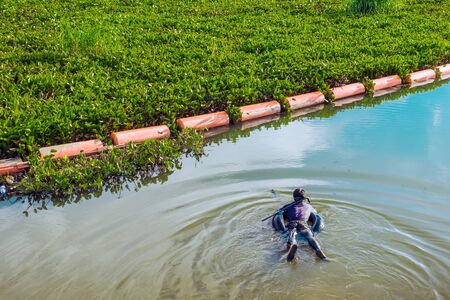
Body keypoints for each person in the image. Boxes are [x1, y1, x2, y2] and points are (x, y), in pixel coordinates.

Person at [281, 188, 328, 262]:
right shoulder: (309, 206)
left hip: (292, 223)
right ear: (304, 197)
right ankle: (318, 250)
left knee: (292, 233)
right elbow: (314, 214)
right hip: (303, 224)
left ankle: (291, 245)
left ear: (294, 197)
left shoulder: (288, 206)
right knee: (310, 237)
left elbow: (279, 213)